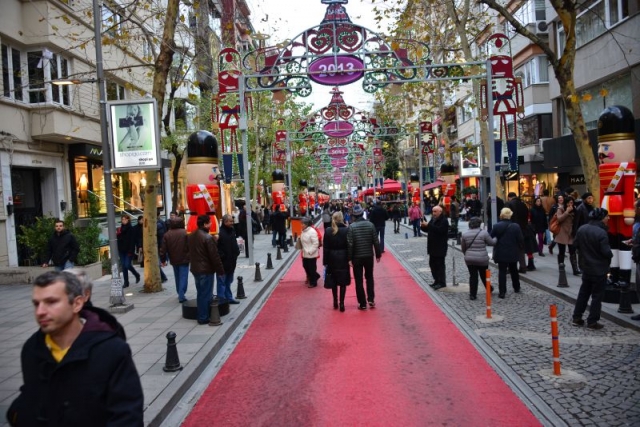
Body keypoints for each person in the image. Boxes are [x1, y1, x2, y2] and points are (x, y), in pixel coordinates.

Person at [7, 271, 143, 426]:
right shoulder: (32, 348)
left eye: (51, 302)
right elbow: (30, 396)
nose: (40, 312)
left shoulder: (112, 351)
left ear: (77, 303)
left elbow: (127, 417)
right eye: (36, 304)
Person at [572, 208, 613, 329]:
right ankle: (592, 321)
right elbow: (606, 252)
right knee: (597, 296)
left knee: (583, 293)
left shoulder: (582, 228)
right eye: (607, 216)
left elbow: (575, 245)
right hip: (599, 269)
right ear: (601, 218)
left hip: (586, 267)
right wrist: (610, 254)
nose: (608, 218)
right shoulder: (601, 233)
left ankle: (577, 317)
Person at [188, 215, 225, 325]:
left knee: (200, 293)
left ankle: (202, 314)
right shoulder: (207, 238)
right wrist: (220, 270)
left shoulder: (192, 236)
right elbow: (214, 256)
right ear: (204, 224)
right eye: (209, 223)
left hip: (196, 268)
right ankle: (204, 317)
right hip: (206, 269)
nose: (211, 224)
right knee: (206, 294)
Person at [347, 204, 381, 310]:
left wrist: (349, 258)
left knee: (359, 280)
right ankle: (371, 298)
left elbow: (350, 244)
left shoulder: (351, 227)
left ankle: (362, 303)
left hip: (357, 257)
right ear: (363, 214)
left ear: (354, 216)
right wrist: (378, 254)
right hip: (368, 256)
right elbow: (376, 241)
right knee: (369, 277)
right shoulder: (370, 225)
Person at [491, 208, 523, 298]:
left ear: (501, 215)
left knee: (502, 271)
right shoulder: (516, 226)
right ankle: (516, 287)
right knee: (514, 270)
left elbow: (490, 237)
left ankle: (502, 292)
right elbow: (520, 239)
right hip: (513, 251)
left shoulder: (496, 226)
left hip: (501, 252)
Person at [461, 217, 496, 300]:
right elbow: (491, 243)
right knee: (484, 275)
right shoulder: (484, 233)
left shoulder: (465, 234)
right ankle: (489, 288)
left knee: (473, 276)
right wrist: (496, 238)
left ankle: (472, 294)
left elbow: (463, 248)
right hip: (482, 258)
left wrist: (467, 254)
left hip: (470, 259)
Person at [323, 211, 351, 312]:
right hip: (343, 258)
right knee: (342, 282)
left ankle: (335, 301)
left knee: (333, 280)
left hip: (332, 258)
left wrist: (325, 262)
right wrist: (349, 258)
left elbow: (325, 248)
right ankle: (342, 303)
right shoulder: (346, 230)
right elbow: (349, 246)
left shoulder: (328, 231)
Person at [160, 217, 190, 303]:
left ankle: (179, 292)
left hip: (173, 258)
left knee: (177, 276)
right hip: (184, 258)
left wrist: (163, 260)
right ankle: (181, 294)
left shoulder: (167, 234)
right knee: (183, 276)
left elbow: (163, 249)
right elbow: (189, 245)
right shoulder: (185, 233)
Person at [421, 205, 449, 290]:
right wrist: (423, 226)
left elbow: (439, 230)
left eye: (435, 212)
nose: (433, 213)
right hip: (432, 247)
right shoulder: (433, 220)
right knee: (432, 265)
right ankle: (436, 280)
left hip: (440, 247)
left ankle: (441, 282)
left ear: (440, 212)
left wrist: (428, 225)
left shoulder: (444, 221)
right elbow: (429, 230)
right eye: (433, 211)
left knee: (440, 265)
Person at [507, 192, 535, 272]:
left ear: (509, 197)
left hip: (513, 229)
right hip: (523, 229)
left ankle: (511, 267)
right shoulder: (523, 204)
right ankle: (523, 267)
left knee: (511, 249)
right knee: (521, 248)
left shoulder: (509, 204)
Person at [217, 214, 241, 304]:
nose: (232, 223)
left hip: (231, 261)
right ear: (225, 222)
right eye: (230, 221)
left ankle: (229, 297)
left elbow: (234, 243)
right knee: (221, 282)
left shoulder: (231, 231)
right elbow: (217, 247)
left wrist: (236, 252)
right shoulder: (220, 232)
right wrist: (222, 256)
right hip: (223, 262)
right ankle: (222, 300)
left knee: (229, 281)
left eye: (232, 221)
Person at [556, 196, 581, 275]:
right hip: (562, 232)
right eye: (569, 203)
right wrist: (566, 212)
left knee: (572, 251)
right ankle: (561, 266)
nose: (571, 204)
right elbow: (559, 219)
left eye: (572, 202)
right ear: (566, 203)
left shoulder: (575, 210)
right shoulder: (560, 209)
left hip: (571, 233)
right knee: (561, 251)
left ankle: (575, 269)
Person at [116, 215, 140, 288]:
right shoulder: (120, 229)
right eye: (122, 219)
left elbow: (132, 241)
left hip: (129, 250)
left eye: (125, 219)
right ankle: (126, 282)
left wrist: (132, 250)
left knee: (127, 265)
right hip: (121, 250)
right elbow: (118, 239)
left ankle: (136, 274)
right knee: (123, 266)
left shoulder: (131, 229)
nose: (123, 221)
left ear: (128, 220)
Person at [299, 216, 321, 288]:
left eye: (303, 224)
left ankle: (313, 282)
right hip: (305, 253)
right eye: (301, 224)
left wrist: (310, 251)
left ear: (306, 224)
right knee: (305, 266)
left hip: (311, 253)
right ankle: (316, 276)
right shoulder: (303, 231)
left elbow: (315, 243)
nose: (301, 225)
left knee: (311, 268)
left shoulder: (312, 231)